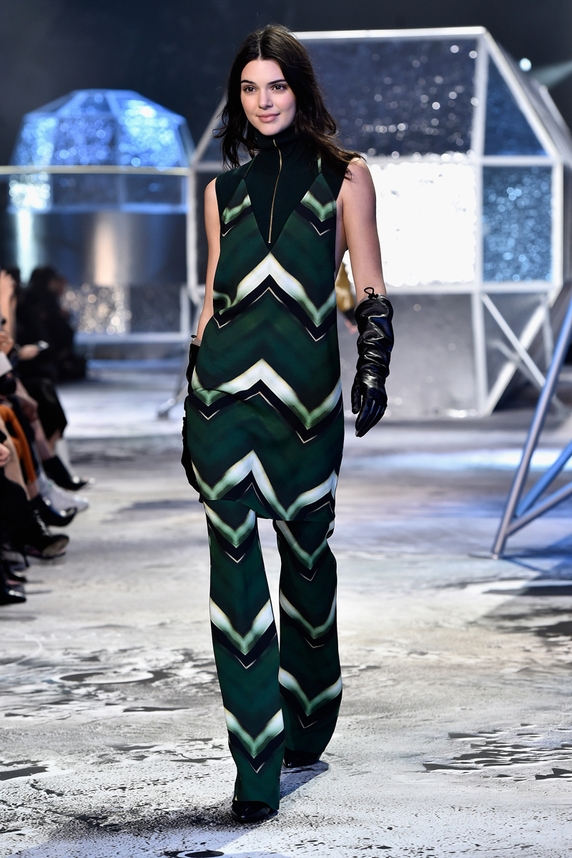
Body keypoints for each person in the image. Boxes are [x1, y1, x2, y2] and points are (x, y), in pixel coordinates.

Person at [182, 24, 394, 822]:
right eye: (249, 88)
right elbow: (213, 301)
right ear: (236, 97)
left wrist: (374, 361)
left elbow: (368, 281)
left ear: (299, 90)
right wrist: (190, 396)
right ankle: (255, 765)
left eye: (276, 86)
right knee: (233, 570)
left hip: (306, 403)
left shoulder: (346, 176)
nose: (263, 101)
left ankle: (308, 717)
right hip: (223, 399)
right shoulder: (221, 193)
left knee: (307, 558)